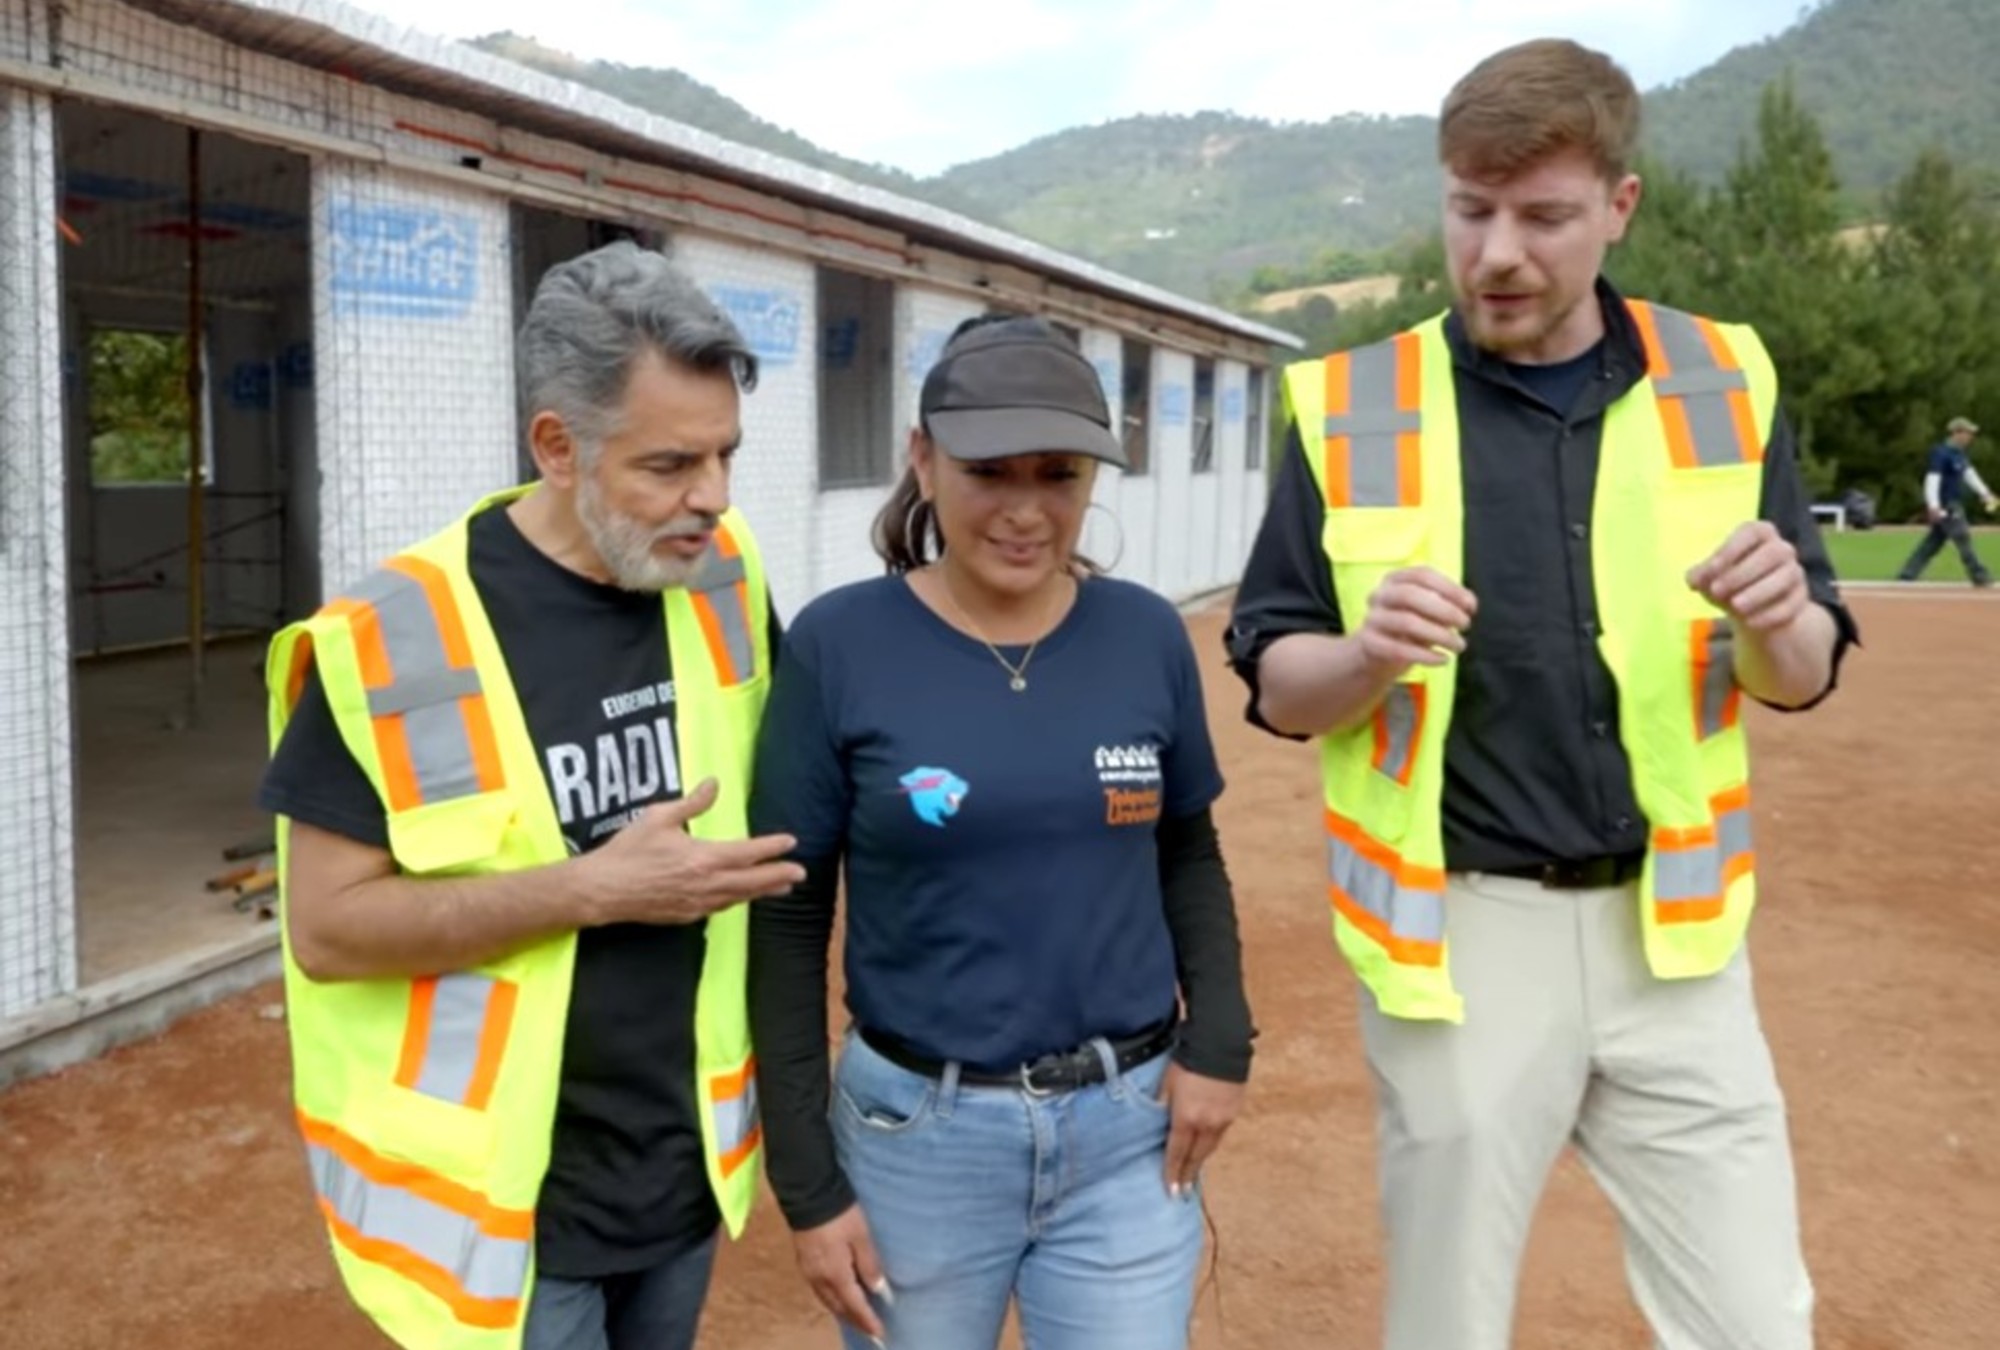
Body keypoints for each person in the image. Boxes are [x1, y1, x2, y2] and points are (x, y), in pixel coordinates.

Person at [1226, 39, 1859, 1350]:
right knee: (1445, 1323)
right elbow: (1279, 676)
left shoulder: (1724, 383)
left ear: (1618, 207)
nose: (1498, 251)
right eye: (1471, 208)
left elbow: (1798, 677)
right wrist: (1365, 658)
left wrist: (1782, 614)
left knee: (1756, 1320)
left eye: (1543, 215)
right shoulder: (1353, 406)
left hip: (1678, 947)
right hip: (1461, 941)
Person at [258, 241, 805, 1350]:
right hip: (502, 1212)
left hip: (680, 1166)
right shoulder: (391, 640)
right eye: (667, 466)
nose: (711, 499)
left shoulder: (722, 573)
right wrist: (592, 890)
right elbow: (324, 930)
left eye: (724, 457)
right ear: (557, 447)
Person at [747, 314, 1255, 1350]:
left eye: (1059, 474)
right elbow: (788, 923)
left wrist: (1221, 1040)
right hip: (916, 1145)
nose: (1027, 511)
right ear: (922, 460)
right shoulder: (838, 646)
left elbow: (1185, 851)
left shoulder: (1143, 634)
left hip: (1129, 1133)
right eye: (990, 472)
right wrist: (807, 1187)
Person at [1896, 415, 1996, 586]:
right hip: (1946, 505)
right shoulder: (1941, 453)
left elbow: (1969, 474)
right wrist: (1933, 505)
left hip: (1953, 502)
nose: (1970, 437)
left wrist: (1985, 493)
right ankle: (1979, 575)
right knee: (1962, 537)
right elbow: (1932, 479)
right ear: (1956, 433)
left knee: (1933, 542)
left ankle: (1907, 574)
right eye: (1967, 432)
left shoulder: (1959, 454)